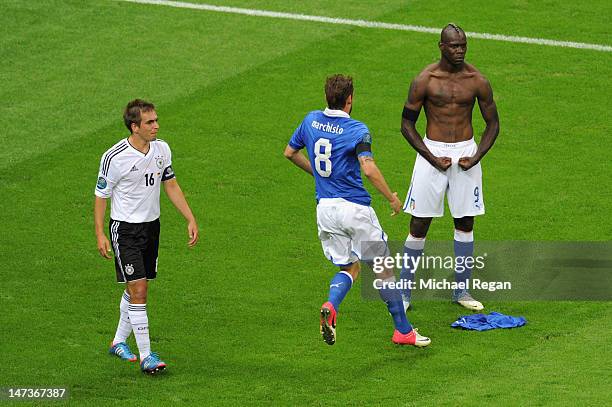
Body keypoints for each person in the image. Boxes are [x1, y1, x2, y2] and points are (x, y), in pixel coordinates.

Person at [284, 74, 430, 347]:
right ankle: (403, 331)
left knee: (349, 266)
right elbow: (368, 167)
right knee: (383, 268)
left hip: (325, 210)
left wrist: (318, 175)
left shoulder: (310, 120)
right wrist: (392, 198)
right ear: (349, 100)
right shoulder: (356, 129)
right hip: (355, 210)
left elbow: (290, 153)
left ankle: (331, 303)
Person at [399, 24, 500, 312]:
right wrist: (430, 156)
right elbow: (406, 124)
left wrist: (477, 155)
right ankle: (404, 293)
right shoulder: (425, 80)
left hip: (465, 154)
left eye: (463, 46)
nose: (460, 51)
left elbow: (493, 123)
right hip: (432, 153)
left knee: (465, 222)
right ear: (441, 47)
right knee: (419, 224)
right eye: (454, 46)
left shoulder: (477, 80)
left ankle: (462, 290)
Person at [94, 99, 199, 374]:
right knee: (139, 290)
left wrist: (190, 217)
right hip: (125, 230)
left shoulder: (162, 149)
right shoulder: (114, 157)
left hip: (152, 228)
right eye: (150, 122)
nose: (157, 126)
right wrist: (100, 233)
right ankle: (146, 355)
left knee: (136, 287)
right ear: (135, 126)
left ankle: (118, 342)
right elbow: (101, 195)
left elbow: (171, 184)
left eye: (156, 120)